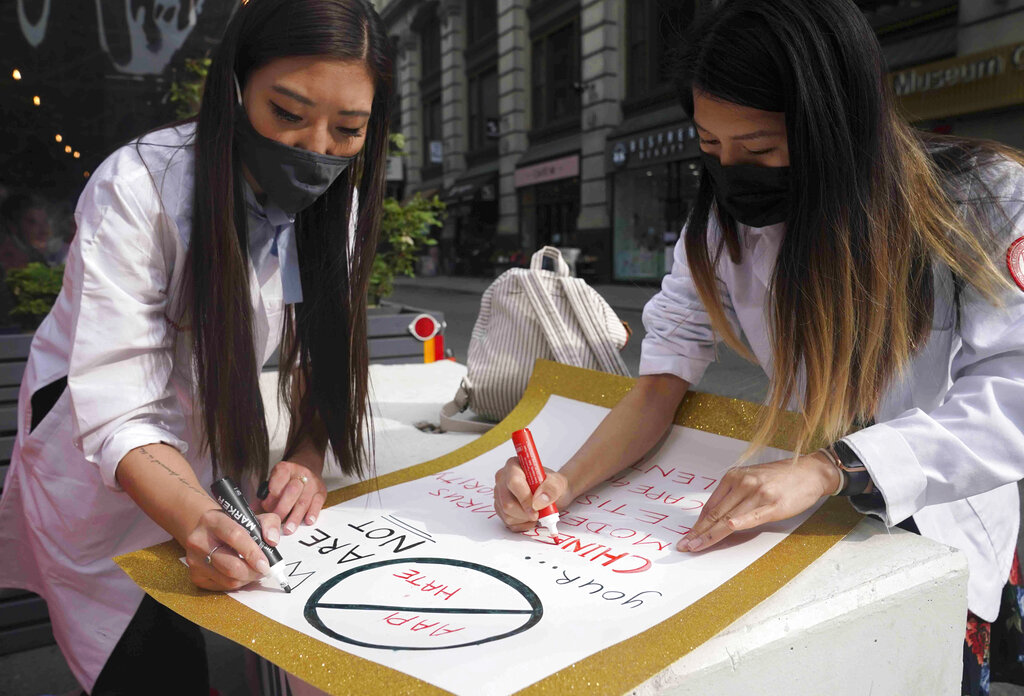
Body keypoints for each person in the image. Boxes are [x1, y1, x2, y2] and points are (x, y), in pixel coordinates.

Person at [493, 1, 1024, 694]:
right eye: (711, 149)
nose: (735, 173)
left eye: (763, 150)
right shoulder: (718, 229)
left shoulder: (983, 202)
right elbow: (660, 383)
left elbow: (1011, 397)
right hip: (802, 515)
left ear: (839, 125)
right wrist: (564, 480)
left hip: (940, 511)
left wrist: (836, 469)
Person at [0, 0, 393, 693]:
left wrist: (305, 456)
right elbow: (118, 408)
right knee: (141, 662)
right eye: (289, 112)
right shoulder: (139, 187)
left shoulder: (335, 202)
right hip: (100, 464)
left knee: (209, 620)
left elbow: (324, 358)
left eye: (349, 128)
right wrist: (201, 518)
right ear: (236, 86)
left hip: (195, 458)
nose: (316, 149)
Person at [0, 191, 52, 269]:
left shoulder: (36, 259)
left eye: (45, 222)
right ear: (13, 226)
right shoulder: (9, 262)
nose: (44, 230)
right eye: (33, 222)